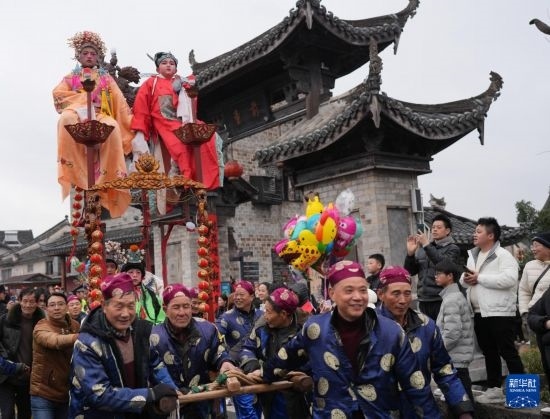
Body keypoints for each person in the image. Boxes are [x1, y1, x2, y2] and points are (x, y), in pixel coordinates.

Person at [263, 260, 442, 418]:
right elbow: (284, 359)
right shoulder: (315, 329)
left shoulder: (392, 332)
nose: (357, 297)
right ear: (332, 293)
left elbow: (416, 386)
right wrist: (262, 374)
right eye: (349, 290)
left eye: (362, 290)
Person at [69, 273, 178, 418]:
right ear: (104, 306)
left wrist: (171, 390)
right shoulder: (87, 343)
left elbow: (155, 365)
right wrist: (150, 395)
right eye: (119, 306)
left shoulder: (141, 331)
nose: (126, 314)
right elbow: (99, 394)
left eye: (131, 306)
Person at [53, 31, 136, 217]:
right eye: (85, 53)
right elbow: (58, 96)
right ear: (79, 56)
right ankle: (74, 165)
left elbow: (120, 102)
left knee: (113, 127)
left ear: (98, 57)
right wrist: (84, 99)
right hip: (77, 113)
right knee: (65, 120)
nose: (89, 56)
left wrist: (133, 124)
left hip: (99, 113)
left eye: (93, 54)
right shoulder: (72, 77)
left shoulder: (105, 78)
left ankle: (109, 175)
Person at [377, 265, 474, 418]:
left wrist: (464, 411)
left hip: (423, 410)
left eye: (407, 293)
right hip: (383, 411)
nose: (402, 300)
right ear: (381, 294)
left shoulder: (426, 325)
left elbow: (444, 370)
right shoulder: (369, 327)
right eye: (395, 293)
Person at [131, 52, 222, 190]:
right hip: (163, 121)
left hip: (182, 120)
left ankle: (204, 178)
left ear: (176, 68)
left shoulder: (181, 81)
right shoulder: (151, 83)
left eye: (172, 63)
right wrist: (141, 131)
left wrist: (183, 89)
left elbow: (191, 99)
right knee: (180, 145)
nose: (168, 65)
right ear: (157, 68)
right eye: (164, 63)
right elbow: (141, 106)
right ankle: (186, 177)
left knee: (206, 135)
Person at [460, 217, 525, 404]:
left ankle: (522, 394)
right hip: (479, 311)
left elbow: (510, 279)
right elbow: (464, 281)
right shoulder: (473, 255)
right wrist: (467, 279)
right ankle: (494, 388)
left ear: (491, 235)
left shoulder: (503, 255)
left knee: (507, 351)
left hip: (500, 312)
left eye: (478, 231)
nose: (474, 234)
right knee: (489, 351)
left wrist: (479, 278)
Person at [150, 284, 237, 418]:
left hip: (203, 403)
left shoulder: (207, 329)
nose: (182, 312)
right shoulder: (153, 336)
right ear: (165, 309)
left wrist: (224, 361)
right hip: (170, 407)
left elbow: (218, 352)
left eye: (186, 306)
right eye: (176, 307)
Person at [240, 287, 310, 419]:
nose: (265, 315)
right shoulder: (261, 327)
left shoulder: (304, 329)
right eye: (264, 310)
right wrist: (255, 370)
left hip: (297, 394)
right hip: (267, 391)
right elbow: (247, 349)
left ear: (283, 314)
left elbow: (309, 362)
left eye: (268, 312)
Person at [215, 280, 263, 419]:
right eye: (236, 295)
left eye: (242, 294)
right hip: (239, 372)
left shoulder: (262, 315)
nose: (237, 298)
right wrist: (226, 360)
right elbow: (216, 339)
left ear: (252, 296)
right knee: (247, 412)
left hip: (260, 372)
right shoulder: (226, 317)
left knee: (259, 409)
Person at [30, 292, 80, 418]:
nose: (56, 308)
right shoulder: (41, 327)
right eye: (52, 305)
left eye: (60, 304)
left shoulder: (75, 325)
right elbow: (55, 341)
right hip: (43, 393)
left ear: (66, 306)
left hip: (66, 392)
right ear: (46, 308)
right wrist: (79, 337)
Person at [434, 260, 475, 405]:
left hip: (456, 355)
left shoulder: (451, 299)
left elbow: (452, 333)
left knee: (463, 400)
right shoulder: (452, 296)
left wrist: (439, 351)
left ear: (450, 276)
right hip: (458, 354)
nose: (435, 276)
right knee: (463, 396)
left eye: (439, 274)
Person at [404, 213, 461, 320]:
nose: (434, 230)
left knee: (442, 329)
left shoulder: (453, 248)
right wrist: (410, 254)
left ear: (447, 231)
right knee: (426, 329)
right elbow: (410, 272)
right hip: (423, 299)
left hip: (441, 299)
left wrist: (426, 245)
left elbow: (444, 266)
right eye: (433, 227)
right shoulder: (424, 249)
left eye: (438, 227)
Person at [0, 288, 45, 419]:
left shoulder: (42, 323)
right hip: (6, 375)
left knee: (25, 413)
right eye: (25, 301)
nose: (28, 305)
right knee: (7, 414)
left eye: (32, 301)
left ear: (37, 303)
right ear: (19, 301)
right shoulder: (5, 320)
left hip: (28, 377)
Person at [519, 232, 550, 338]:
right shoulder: (529, 266)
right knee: (536, 345)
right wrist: (524, 312)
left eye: (536, 245)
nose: (533, 249)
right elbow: (524, 291)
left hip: (548, 315)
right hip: (534, 316)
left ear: (548, 246)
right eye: (532, 246)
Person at [121, 258, 165, 324]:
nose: (135, 275)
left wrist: (155, 329)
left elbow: (161, 318)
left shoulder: (151, 295)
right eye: (131, 272)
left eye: (138, 272)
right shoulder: (119, 294)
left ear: (142, 276)